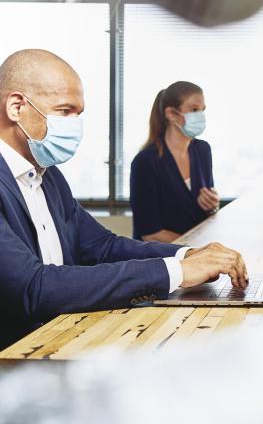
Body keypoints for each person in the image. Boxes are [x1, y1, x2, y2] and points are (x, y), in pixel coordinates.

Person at [0, 49, 248, 349]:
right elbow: (33, 288)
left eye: (79, 114)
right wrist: (177, 272)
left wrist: (188, 256)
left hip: (63, 338)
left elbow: (102, 246)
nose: (74, 125)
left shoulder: (48, 176)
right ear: (16, 107)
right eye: (65, 111)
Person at [130, 81, 219, 242]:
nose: (200, 116)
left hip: (197, 256)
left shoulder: (203, 150)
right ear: (171, 114)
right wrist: (197, 250)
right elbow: (151, 234)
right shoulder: (145, 162)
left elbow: (204, 214)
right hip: (161, 259)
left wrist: (212, 206)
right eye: (194, 110)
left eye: (202, 110)